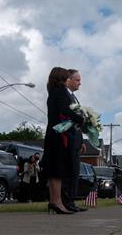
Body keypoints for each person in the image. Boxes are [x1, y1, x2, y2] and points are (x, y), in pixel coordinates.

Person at [40, 67, 84, 214]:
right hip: (59, 135)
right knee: (57, 170)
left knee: (53, 170)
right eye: (66, 78)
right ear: (61, 79)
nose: (68, 80)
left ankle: (54, 201)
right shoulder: (60, 91)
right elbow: (65, 109)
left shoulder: (52, 91)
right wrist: (80, 118)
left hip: (52, 133)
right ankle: (57, 202)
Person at [61, 69, 87, 212]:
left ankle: (72, 201)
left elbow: (78, 122)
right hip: (68, 140)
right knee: (69, 172)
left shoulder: (74, 98)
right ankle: (66, 203)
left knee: (75, 172)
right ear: (69, 80)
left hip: (77, 141)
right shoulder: (64, 95)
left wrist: (81, 140)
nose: (80, 83)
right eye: (77, 80)